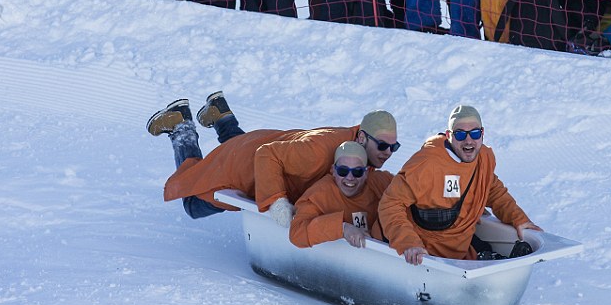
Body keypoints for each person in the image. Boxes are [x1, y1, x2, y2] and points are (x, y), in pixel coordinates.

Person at [146, 91, 399, 224]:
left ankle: (222, 115)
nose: (388, 153)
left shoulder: (358, 150)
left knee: (254, 153)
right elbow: (267, 156)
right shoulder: (319, 151)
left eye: (393, 147)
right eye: (383, 146)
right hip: (248, 164)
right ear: (363, 138)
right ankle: (181, 125)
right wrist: (276, 202)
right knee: (193, 203)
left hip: (262, 144)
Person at [378, 105, 540, 265]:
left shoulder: (484, 158)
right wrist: (408, 243)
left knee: (486, 251)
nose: (468, 140)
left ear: (482, 134)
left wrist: (517, 218)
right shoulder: (427, 164)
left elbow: (493, 190)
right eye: (460, 135)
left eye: (475, 133)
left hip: (461, 250)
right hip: (424, 254)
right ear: (449, 135)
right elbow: (391, 204)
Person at [289, 141, 393, 249]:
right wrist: (342, 228)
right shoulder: (320, 194)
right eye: (343, 171)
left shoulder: (379, 182)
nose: (350, 177)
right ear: (333, 170)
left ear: (366, 173)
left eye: (357, 172)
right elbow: (297, 233)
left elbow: (406, 190)